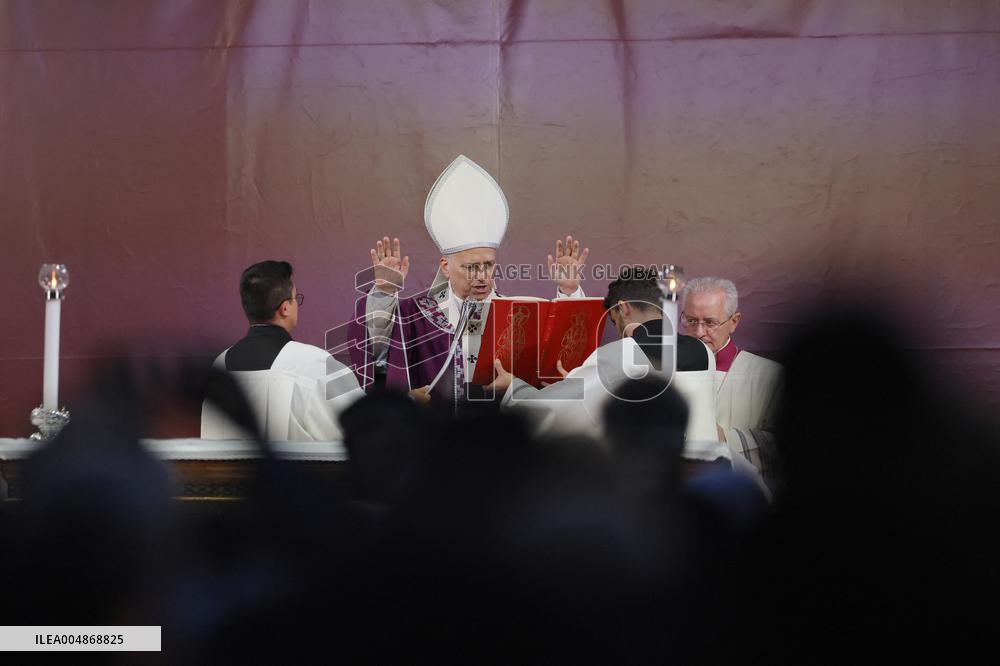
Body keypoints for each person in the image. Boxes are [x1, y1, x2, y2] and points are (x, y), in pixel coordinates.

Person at [348, 155, 588, 408]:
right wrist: (385, 293)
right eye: (471, 267)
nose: (482, 275)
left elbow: (565, 361)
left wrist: (569, 292)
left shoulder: (522, 314)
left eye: (488, 265)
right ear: (446, 268)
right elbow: (375, 351)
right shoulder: (418, 315)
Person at [488, 270, 730, 464]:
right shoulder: (704, 352)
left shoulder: (621, 355)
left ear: (623, 308)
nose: (617, 329)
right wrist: (581, 379)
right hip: (703, 484)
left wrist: (513, 387)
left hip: (651, 491)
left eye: (614, 321)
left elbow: (551, 413)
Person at [201, 260, 364, 441]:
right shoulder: (316, 364)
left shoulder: (220, 365)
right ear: (285, 308)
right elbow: (365, 426)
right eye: (296, 298)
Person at [680, 276, 782, 476]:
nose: (699, 332)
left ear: (734, 322)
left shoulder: (769, 376)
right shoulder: (664, 372)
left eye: (710, 323)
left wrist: (725, 439)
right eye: (691, 321)